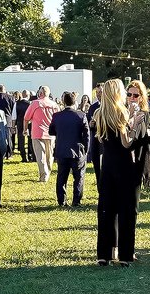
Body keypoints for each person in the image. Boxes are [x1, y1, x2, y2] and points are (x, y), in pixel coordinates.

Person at [91, 82, 143, 264]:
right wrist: (134, 123)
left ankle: (104, 254)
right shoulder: (121, 112)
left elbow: (102, 139)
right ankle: (125, 254)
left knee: (106, 210)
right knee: (126, 210)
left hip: (108, 165)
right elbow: (126, 143)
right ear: (117, 93)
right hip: (123, 165)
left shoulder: (99, 113)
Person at [52, 92, 90, 208]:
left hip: (62, 150)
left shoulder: (57, 116)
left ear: (63, 102)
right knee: (78, 177)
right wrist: (86, 150)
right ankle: (76, 200)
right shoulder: (81, 115)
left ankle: (61, 200)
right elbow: (86, 135)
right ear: (75, 102)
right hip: (77, 151)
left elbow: (51, 131)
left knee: (61, 177)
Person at [26, 88, 54, 184]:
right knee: (49, 154)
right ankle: (48, 171)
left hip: (37, 132)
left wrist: (25, 130)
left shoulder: (35, 103)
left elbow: (26, 118)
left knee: (40, 155)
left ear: (40, 93)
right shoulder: (54, 104)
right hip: (51, 133)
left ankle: (44, 175)